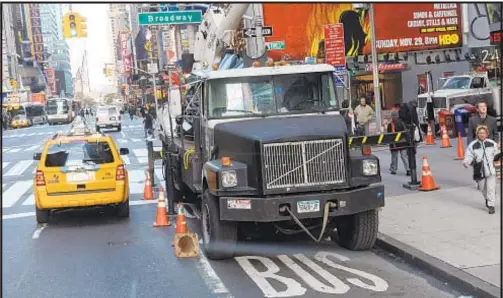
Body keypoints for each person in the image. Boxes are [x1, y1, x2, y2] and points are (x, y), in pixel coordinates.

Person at [463, 125, 500, 214]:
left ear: (487, 134)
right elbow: (469, 155)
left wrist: (499, 152)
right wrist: (466, 162)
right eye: (480, 133)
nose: (482, 135)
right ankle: (488, 199)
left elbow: (497, 154)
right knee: (482, 188)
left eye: (484, 133)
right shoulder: (473, 145)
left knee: (490, 188)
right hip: (479, 170)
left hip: (491, 169)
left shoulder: (492, 143)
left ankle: (491, 205)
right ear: (477, 134)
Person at [387, 111, 410, 175]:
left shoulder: (390, 125)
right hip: (402, 142)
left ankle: (393, 169)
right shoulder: (402, 123)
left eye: (394, 116)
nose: (393, 117)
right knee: (404, 156)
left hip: (394, 143)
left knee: (394, 157)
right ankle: (408, 169)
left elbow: (389, 135)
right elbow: (405, 132)